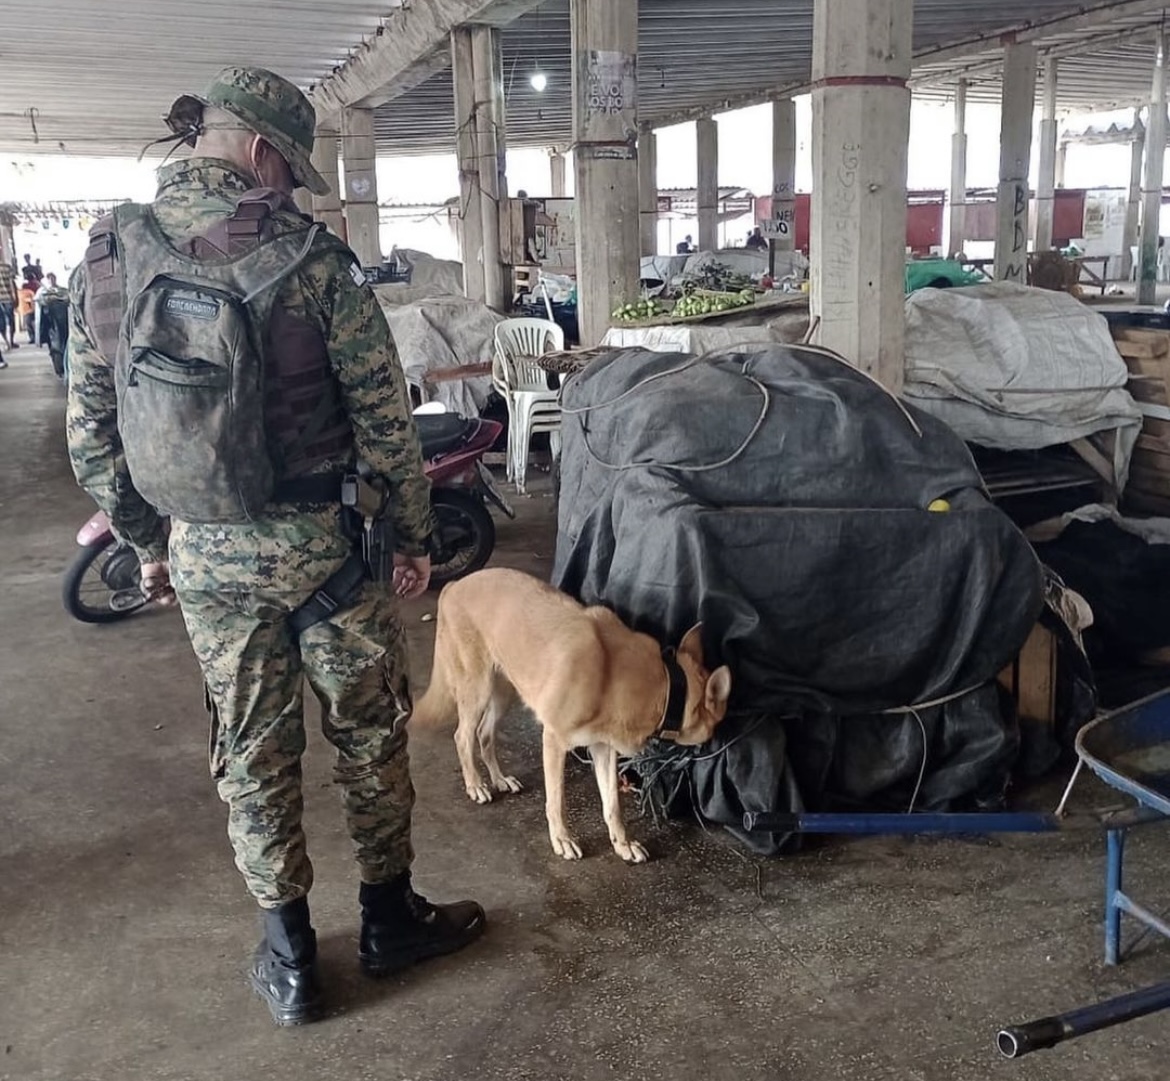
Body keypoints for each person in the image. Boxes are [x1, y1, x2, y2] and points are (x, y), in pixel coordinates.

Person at [66, 66, 484, 1027]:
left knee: (250, 751)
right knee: (370, 734)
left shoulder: (108, 259)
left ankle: (290, 959)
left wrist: (149, 543)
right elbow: (387, 421)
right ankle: (389, 923)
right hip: (328, 552)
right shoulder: (314, 261)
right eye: (290, 171)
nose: (291, 190)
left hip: (205, 555)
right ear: (260, 151)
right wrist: (413, 540)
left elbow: (94, 435)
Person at [36, 272, 70, 378]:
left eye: (52, 278)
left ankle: (63, 367)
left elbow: (69, 298)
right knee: (55, 346)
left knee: (63, 344)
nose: (51, 280)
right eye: (49, 278)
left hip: (63, 322)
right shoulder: (42, 292)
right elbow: (39, 302)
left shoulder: (63, 290)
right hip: (50, 324)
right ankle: (59, 369)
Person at [0, 259, 17, 353]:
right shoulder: (8, 267)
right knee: (10, 321)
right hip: (8, 298)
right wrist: (14, 295)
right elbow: (11, 283)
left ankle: (7, 342)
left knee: (2, 322)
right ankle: (10, 341)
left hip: (4, 298)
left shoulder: (7, 267)